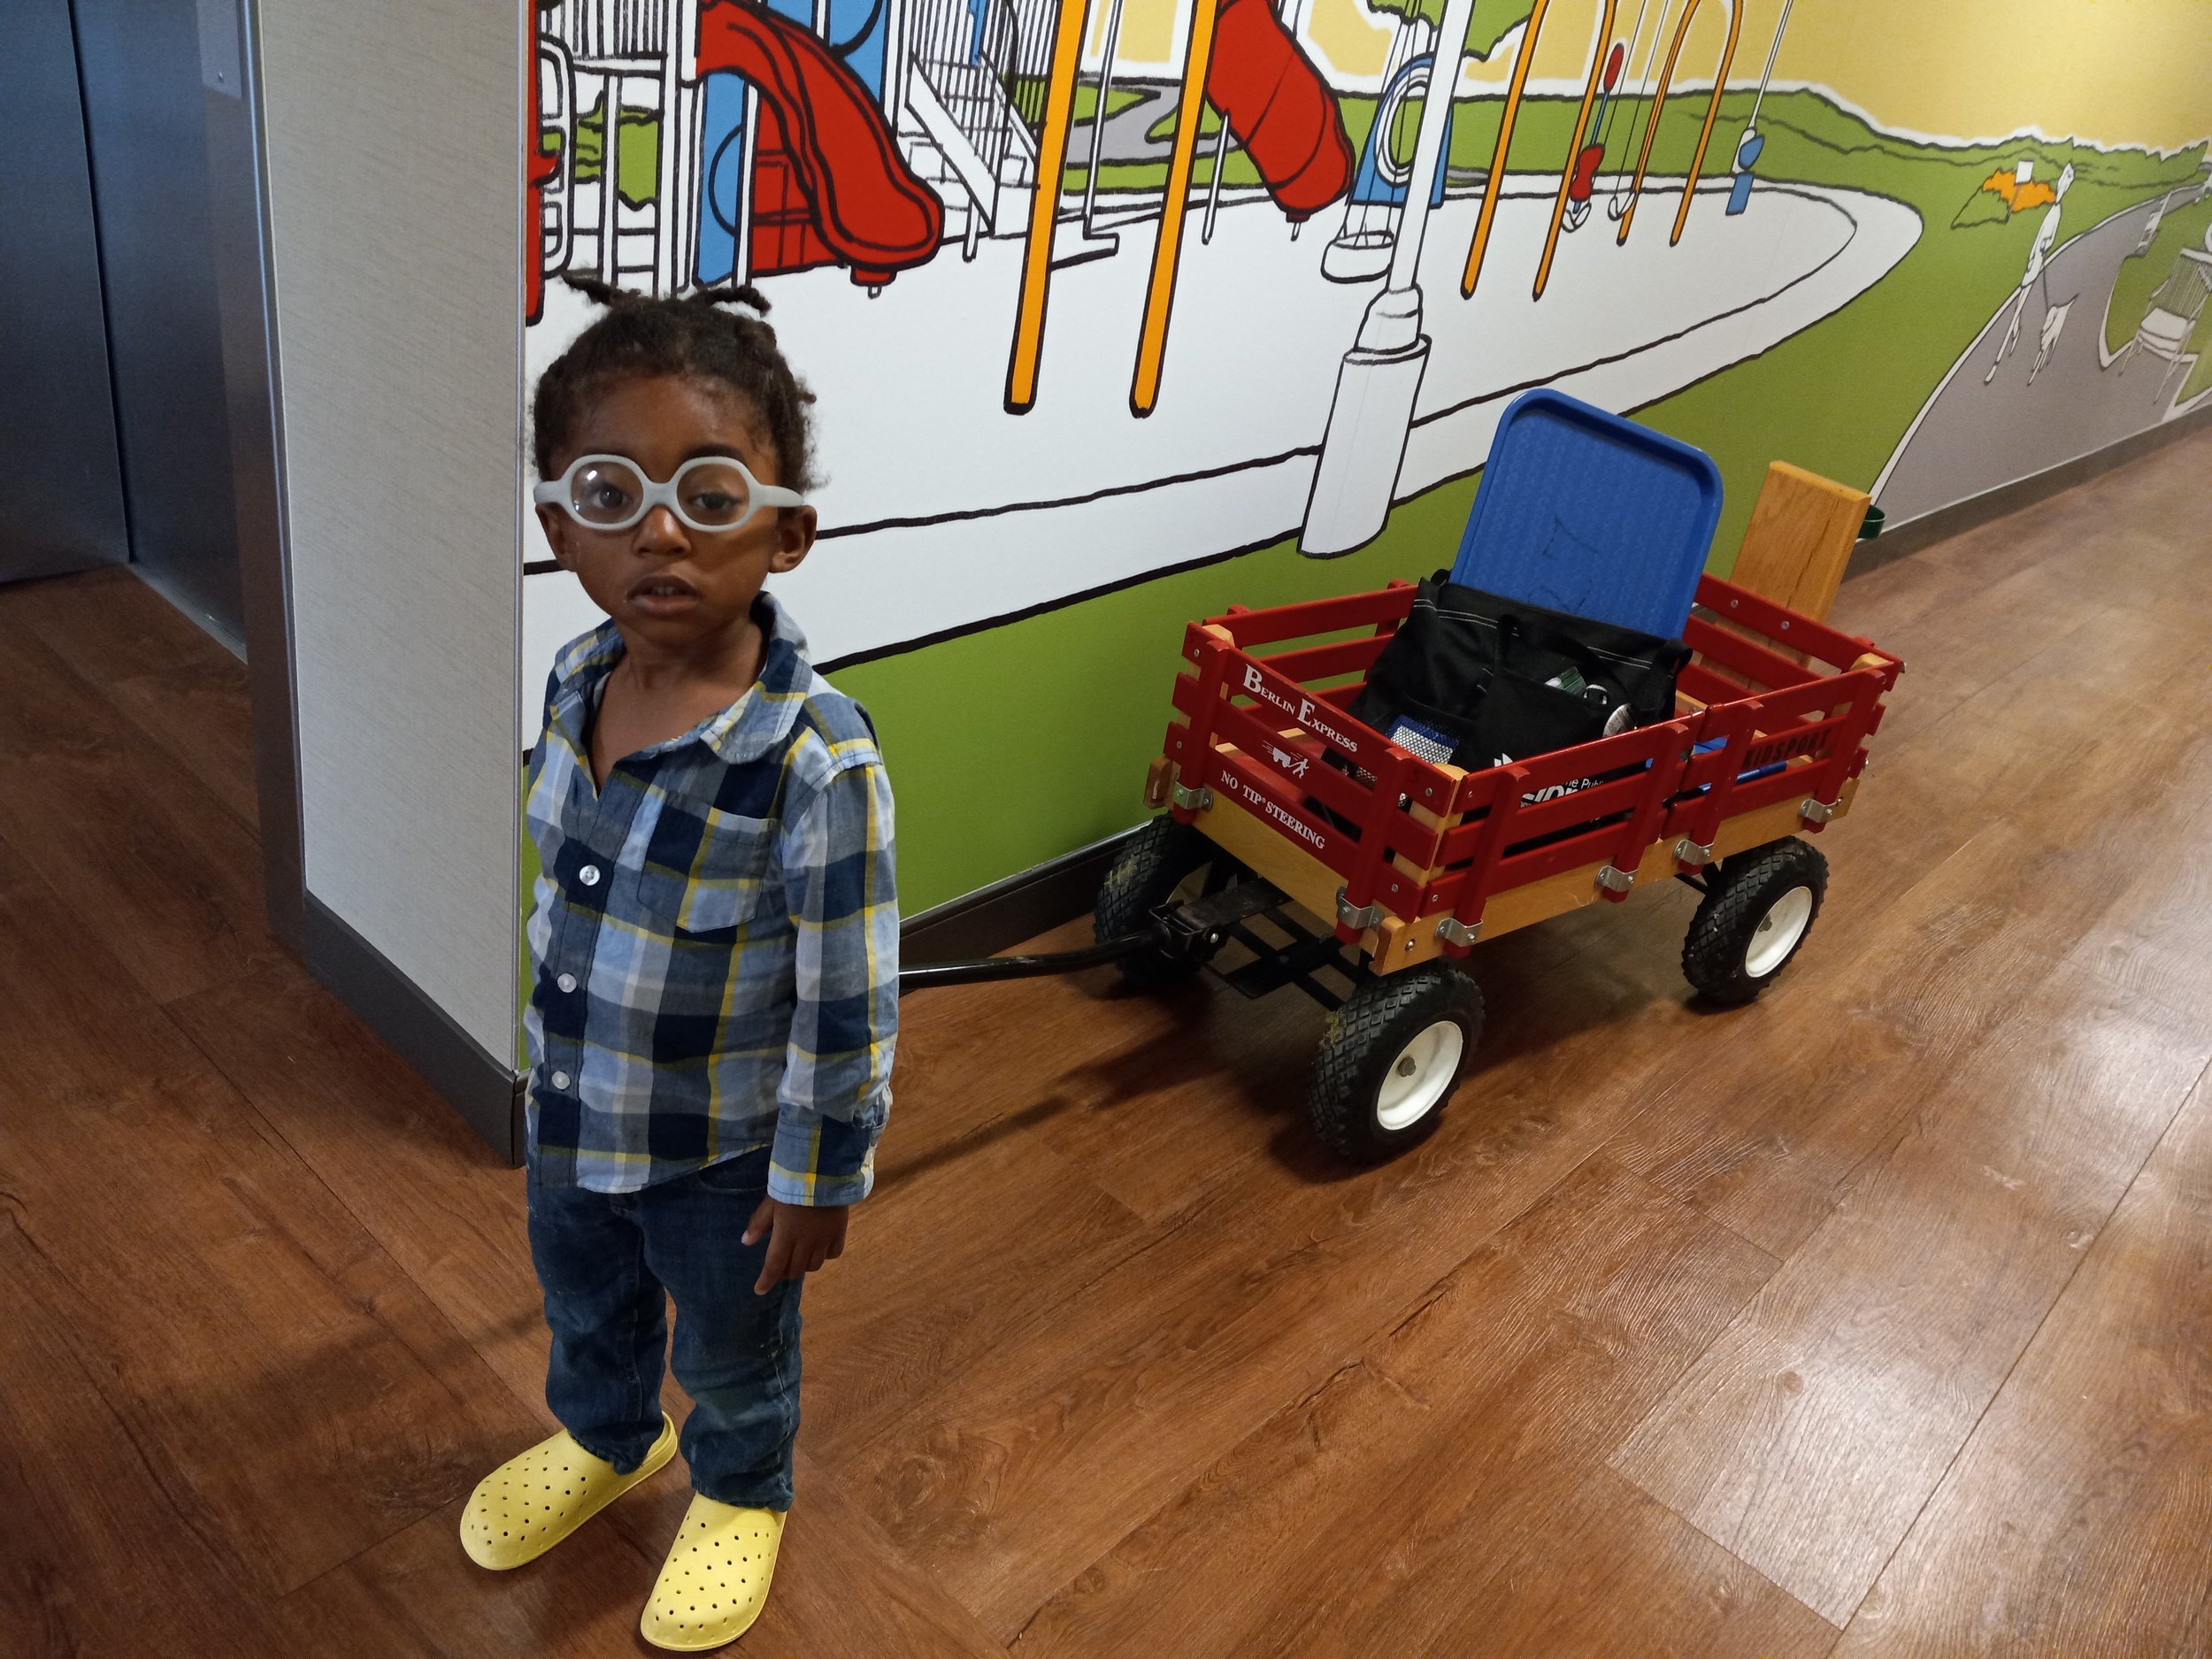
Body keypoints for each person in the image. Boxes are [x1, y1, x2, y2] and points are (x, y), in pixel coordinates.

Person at [459, 276, 897, 1652]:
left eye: (710, 498)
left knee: (730, 1344)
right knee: (584, 1298)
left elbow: (849, 993)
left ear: (789, 535)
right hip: (577, 1110)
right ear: (557, 529)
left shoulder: (817, 764)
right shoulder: (576, 676)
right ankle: (607, 1437)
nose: (658, 531)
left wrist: (818, 1176)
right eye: (611, 494)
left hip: (721, 1158)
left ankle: (743, 1486)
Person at [1986, 161, 2074, 384]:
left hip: (2034, 268)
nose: (2061, 186)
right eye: (2063, 180)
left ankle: (1997, 361)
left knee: (2018, 310)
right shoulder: (2053, 210)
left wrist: (2043, 249)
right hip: (2032, 265)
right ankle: (2015, 332)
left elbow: (2046, 241)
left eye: (2065, 181)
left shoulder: (2056, 212)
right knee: (2018, 308)